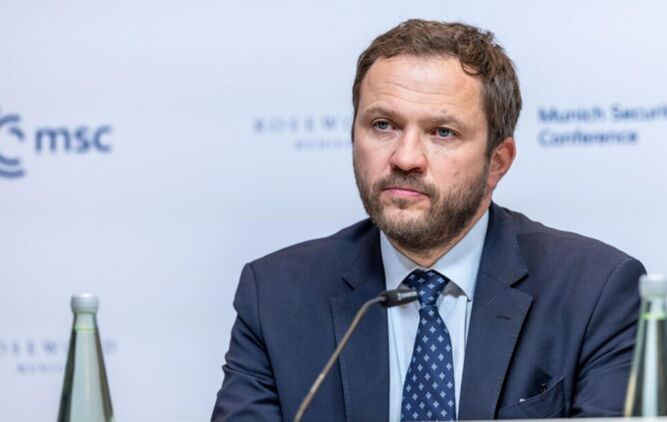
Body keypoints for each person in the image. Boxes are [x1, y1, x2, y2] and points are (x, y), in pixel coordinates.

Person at [212, 19, 645, 421]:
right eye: (383, 125)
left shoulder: (595, 292)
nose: (405, 158)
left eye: (442, 132)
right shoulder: (276, 295)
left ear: (498, 161)